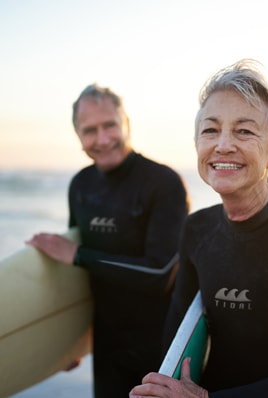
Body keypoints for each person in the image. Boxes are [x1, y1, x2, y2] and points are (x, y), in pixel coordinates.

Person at [129, 59, 268, 397]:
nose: (223, 145)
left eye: (244, 131)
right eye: (210, 130)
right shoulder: (196, 229)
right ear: (197, 146)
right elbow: (177, 337)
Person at [27, 84, 189, 397]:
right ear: (78, 136)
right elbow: (81, 280)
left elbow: (160, 275)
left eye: (110, 125)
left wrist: (77, 254)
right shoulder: (81, 185)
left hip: (160, 347)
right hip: (107, 347)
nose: (102, 139)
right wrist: (71, 340)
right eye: (90, 131)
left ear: (126, 123)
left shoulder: (163, 183)